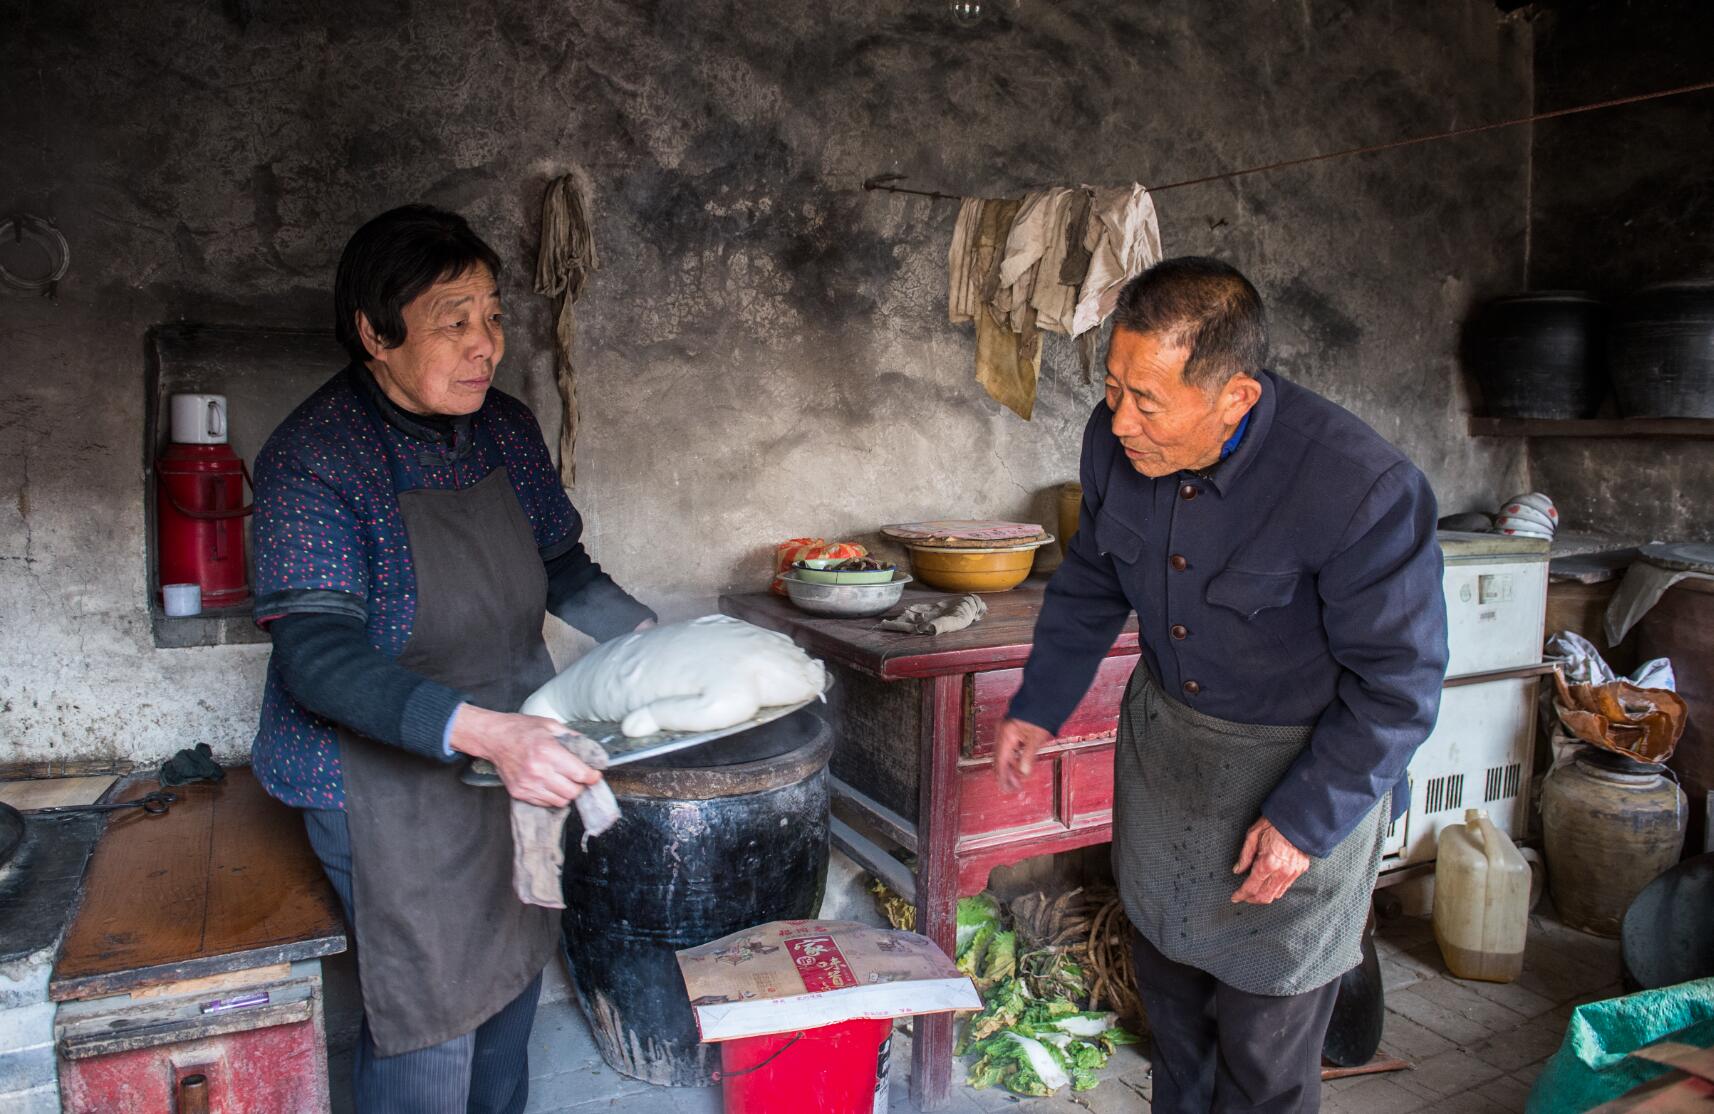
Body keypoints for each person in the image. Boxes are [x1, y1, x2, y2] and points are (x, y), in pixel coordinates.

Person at [996, 257, 1448, 1114]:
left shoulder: (1359, 487)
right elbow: (1093, 575)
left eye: (1148, 400)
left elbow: (1401, 683)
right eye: (1113, 387)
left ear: (1235, 396)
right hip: (1170, 768)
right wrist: (1040, 703)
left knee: (1263, 1057)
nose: (1120, 420)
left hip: (1300, 778)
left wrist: (1305, 822)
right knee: (1174, 1023)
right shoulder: (1115, 440)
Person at [250, 204, 655, 1113]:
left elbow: (562, 568)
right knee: (431, 1018)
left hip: (520, 739)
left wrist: (657, 648)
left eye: (494, 316)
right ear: (374, 332)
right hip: (378, 779)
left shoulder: (505, 430)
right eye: (454, 320)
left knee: (511, 974)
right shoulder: (314, 460)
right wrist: (485, 734)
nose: (486, 345)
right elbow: (315, 657)